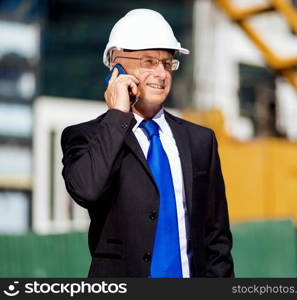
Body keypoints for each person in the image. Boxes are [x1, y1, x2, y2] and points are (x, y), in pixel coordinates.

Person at [61, 8, 234, 278]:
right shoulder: (86, 136)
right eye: (149, 61)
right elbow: (87, 190)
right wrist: (118, 115)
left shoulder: (201, 141)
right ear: (117, 64)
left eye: (167, 63)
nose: (162, 73)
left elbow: (216, 239)